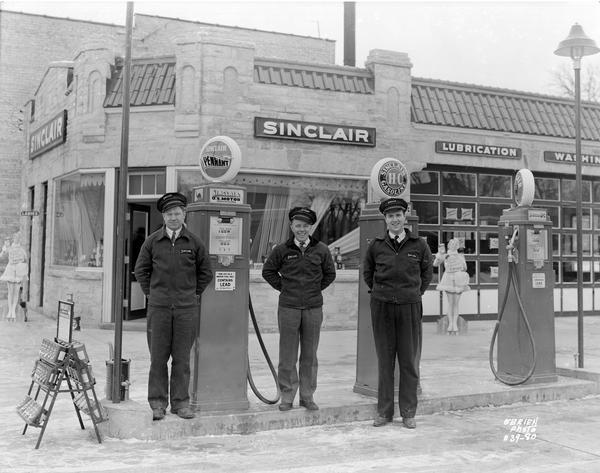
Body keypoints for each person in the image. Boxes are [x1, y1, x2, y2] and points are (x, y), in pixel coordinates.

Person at [134, 192, 213, 421]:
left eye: (177, 213)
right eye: (169, 214)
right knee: (158, 358)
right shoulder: (152, 242)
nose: (173, 217)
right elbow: (141, 270)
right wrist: (153, 294)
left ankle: (181, 404)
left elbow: (205, 272)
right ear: (163, 216)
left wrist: (192, 293)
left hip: (186, 309)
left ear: (184, 214)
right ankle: (158, 403)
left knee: (181, 359)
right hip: (158, 309)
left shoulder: (194, 242)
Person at [363, 198, 433, 429]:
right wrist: (381, 293)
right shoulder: (376, 245)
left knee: (408, 362)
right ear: (386, 219)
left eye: (398, 215)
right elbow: (368, 273)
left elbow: (426, 274)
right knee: (385, 361)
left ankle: (408, 412)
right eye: (390, 216)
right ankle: (384, 412)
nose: (395, 219)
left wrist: (412, 293)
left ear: (405, 216)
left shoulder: (419, 244)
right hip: (382, 307)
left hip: (409, 307)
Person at [262, 207, 336, 412]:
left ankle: (307, 396)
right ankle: (287, 395)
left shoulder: (321, 249)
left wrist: (314, 289)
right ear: (291, 226)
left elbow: (330, 274)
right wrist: (284, 288)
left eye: (305, 226)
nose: (301, 229)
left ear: (310, 227)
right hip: (288, 308)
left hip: (313, 308)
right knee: (287, 355)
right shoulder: (282, 250)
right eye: (298, 225)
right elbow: (267, 271)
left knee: (310, 355)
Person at [434, 238, 470, 335]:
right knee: (451, 303)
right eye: (451, 243)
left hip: (458, 279)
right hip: (448, 279)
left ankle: (455, 324)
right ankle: (451, 325)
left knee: (456, 303)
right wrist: (439, 255)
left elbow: (465, 267)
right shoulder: (445, 255)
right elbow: (435, 264)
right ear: (448, 245)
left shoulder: (461, 256)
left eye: (455, 244)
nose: (453, 245)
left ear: (458, 246)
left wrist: (460, 262)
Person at [0, 231, 29, 322]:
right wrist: (4, 248)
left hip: (19, 271)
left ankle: (13, 310)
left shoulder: (22, 249)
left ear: (20, 239)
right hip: (11, 270)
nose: (17, 239)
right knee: (10, 291)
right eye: (15, 237)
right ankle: (9, 310)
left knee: (16, 292)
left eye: (18, 237)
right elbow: (2, 256)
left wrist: (21, 262)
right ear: (13, 238)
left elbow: (25, 259)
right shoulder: (9, 247)